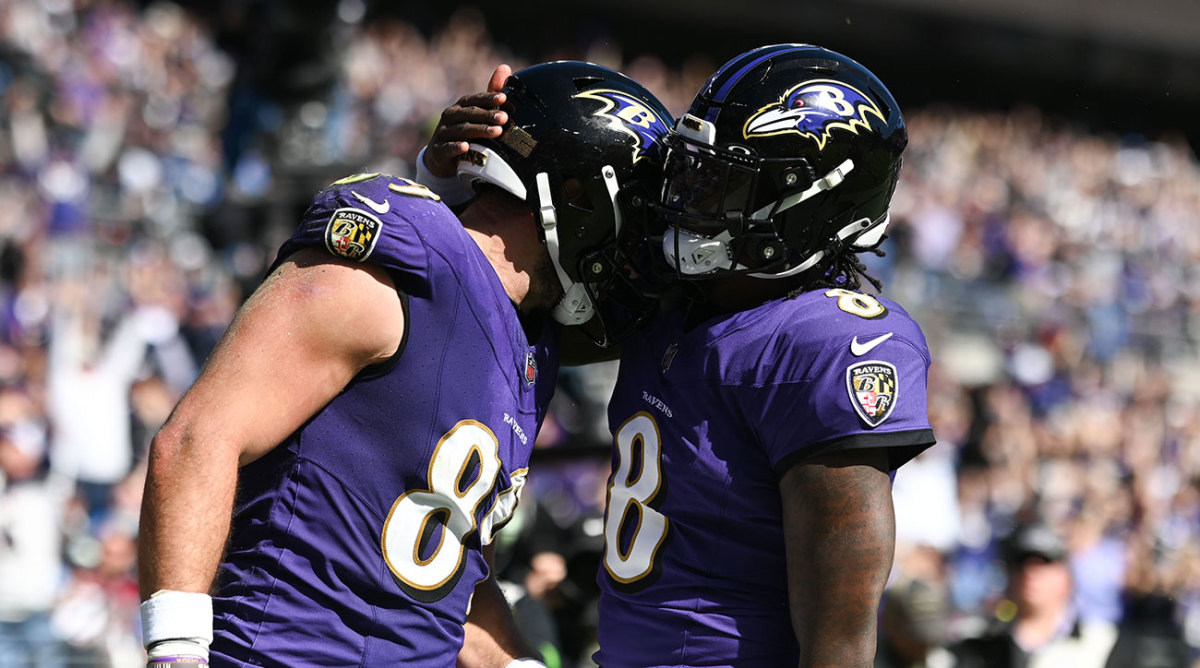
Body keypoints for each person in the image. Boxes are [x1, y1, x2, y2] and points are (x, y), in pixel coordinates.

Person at [136, 61, 670, 667]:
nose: (641, 251)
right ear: (576, 197)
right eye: (636, 218)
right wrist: (176, 649)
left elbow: (447, 581)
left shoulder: (533, 345)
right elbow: (198, 438)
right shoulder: (407, 254)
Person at [423, 44, 935, 668]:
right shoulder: (671, 298)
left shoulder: (829, 342)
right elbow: (491, 316)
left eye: (727, 181)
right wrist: (458, 180)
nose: (691, 195)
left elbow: (841, 638)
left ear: (812, 203)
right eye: (693, 169)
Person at [950, 520, 1119, 668]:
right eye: (1021, 563)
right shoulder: (979, 649)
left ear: (1067, 577)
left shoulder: (1101, 643)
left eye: (1044, 562)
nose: (1030, 573)